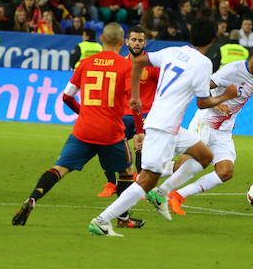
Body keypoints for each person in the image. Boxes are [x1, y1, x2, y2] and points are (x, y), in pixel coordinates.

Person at [87, 19, 238, 236]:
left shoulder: (173, 51)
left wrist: (136, 96)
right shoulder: (204, 63)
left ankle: (162, 192)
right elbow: (202, 103)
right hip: (163, 127)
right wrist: (227, 95)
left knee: (204, 156)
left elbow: (138, 61)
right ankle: (102, 220)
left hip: (169, 125)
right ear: (213, 40)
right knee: (147, 179)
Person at [11, 23, 144, 230]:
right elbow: (135, 104)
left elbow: (66, 96)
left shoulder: (85, 63)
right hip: (110, 131)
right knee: (126, 171)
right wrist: (140, 130)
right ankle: (123, 218)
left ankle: (32, 199)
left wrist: (83, 112)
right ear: (122, 42)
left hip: (84, 128)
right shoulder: (126, 66)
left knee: (60, 169)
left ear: (101, 39)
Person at [162, 43, 253, 215]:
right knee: (184, 166)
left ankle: (177, 196)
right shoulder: (231, 70)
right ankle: (144, 178)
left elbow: (238, 99)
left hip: (223, 130)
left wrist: (231, 117)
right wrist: (217, 105)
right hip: (205, 123)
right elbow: (202, 87)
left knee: (225, 171)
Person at [96, 27, 160, 198]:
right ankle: (112, 183)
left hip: (146, 114)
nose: (137, 43)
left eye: (140, 40)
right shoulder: (121, 64)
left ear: (145, 43)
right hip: (123, 114)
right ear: (126, 42)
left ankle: (140, 183)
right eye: (134, 40)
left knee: (142, 144)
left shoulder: (152, 65)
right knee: (104, 142)